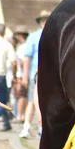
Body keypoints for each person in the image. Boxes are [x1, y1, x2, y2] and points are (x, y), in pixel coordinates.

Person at [19, 10, 51, 139]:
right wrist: (25, 76)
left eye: (47, 19)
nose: (45, 22)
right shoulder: (33, 36)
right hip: (35, 74)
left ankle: (41, 129)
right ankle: (26, 127)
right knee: (32, 101)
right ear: (39, 22)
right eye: (42, 20)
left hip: (50, 75)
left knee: (46, 103)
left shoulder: (54, 34)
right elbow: (27, 57)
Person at [0, 18, 16, 134]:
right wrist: (14, 75)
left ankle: (6, 122)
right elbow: (13, 62)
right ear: (3, 32)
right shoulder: (6, 44)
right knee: (2, 100)